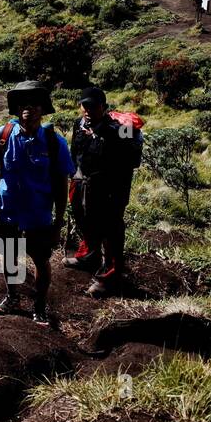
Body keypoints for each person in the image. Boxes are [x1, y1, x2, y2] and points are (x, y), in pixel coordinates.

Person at [0, 80, 74, 326]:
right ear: (16, 108)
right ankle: (12, 297)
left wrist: (58, 224)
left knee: (40, 260)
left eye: (34, 104)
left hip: (39, 214)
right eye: (24, 103)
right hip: (8, 211)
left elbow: (61, 186)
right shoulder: (1, 137)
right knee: (9, 256)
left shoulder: (55, 144)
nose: (29, 109)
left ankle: (40, 306)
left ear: (42, 108)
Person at [64, 85, 140, 297]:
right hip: (83, 181)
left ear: (104, 107)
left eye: (93, 107)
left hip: (110, 188)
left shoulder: (120, 128)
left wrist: (103, 138)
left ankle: (110, 276)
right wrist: (74, 176)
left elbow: (131, 159)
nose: (88, 110)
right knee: (84, 219)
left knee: (111, 230)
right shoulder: (78, 124)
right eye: (84, 106)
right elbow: (74, 152)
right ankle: (89, 256)